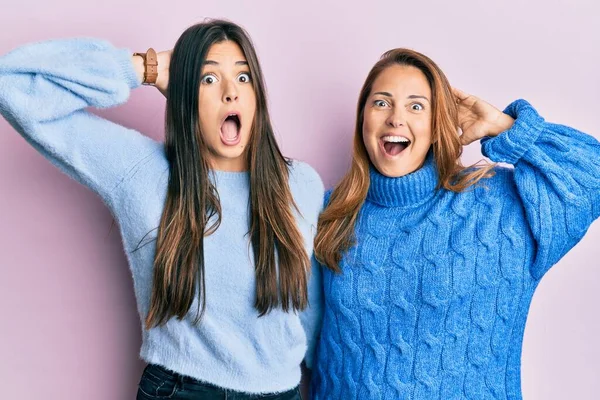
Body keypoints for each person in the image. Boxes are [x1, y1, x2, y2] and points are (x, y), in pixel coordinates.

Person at [0, 19, 323, 399]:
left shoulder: (301, 184)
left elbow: (309, 306)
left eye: (243, 78)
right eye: (207, 80)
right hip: (182, 390)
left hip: (280, 390)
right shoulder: (142, 172)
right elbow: (12, 86)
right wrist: (145, 67)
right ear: (184, 94)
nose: (230, 94)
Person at [311, 48, 600, 399]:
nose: (395, 119)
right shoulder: (329, 213)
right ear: (363, 120)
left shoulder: (497, 206)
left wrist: (504, 128)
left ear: (437, 126)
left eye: (416, 106)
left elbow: (592, 176)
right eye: (381, 103)